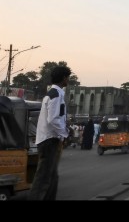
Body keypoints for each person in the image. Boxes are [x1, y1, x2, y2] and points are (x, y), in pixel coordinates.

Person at [28, 66, 71, 200]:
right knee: (44, 178)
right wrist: (64, 132)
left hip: (50, 140)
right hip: (49, 141)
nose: (68, 80)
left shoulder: (53, 94)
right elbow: (53, 119)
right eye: (67, 77)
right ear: (64, 78)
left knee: (52, 177)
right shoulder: (55, 95)